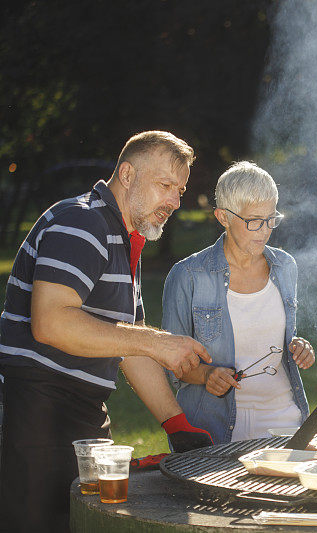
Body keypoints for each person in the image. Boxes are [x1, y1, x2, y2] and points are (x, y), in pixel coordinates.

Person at [0, 131, 215, 533]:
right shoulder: (82, 221)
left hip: (86, 415)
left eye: (181, 191)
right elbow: (51, 322)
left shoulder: (122, 238)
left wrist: (176, 425)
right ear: (128, 174)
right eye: (166, 185)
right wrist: (157, 340)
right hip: (38, 411)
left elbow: (125, 342)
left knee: (89, 524)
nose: (174, 201)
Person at [162, 161, 314, 444]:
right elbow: (172, 363)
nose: (264, 230)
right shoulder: (187, 276)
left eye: (271, 219)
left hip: (284, 422)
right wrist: (207, 374)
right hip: (216, 430)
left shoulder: (285, 266)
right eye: (254, 220)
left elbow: (273, 337)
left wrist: (299, 347)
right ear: (223, 217)